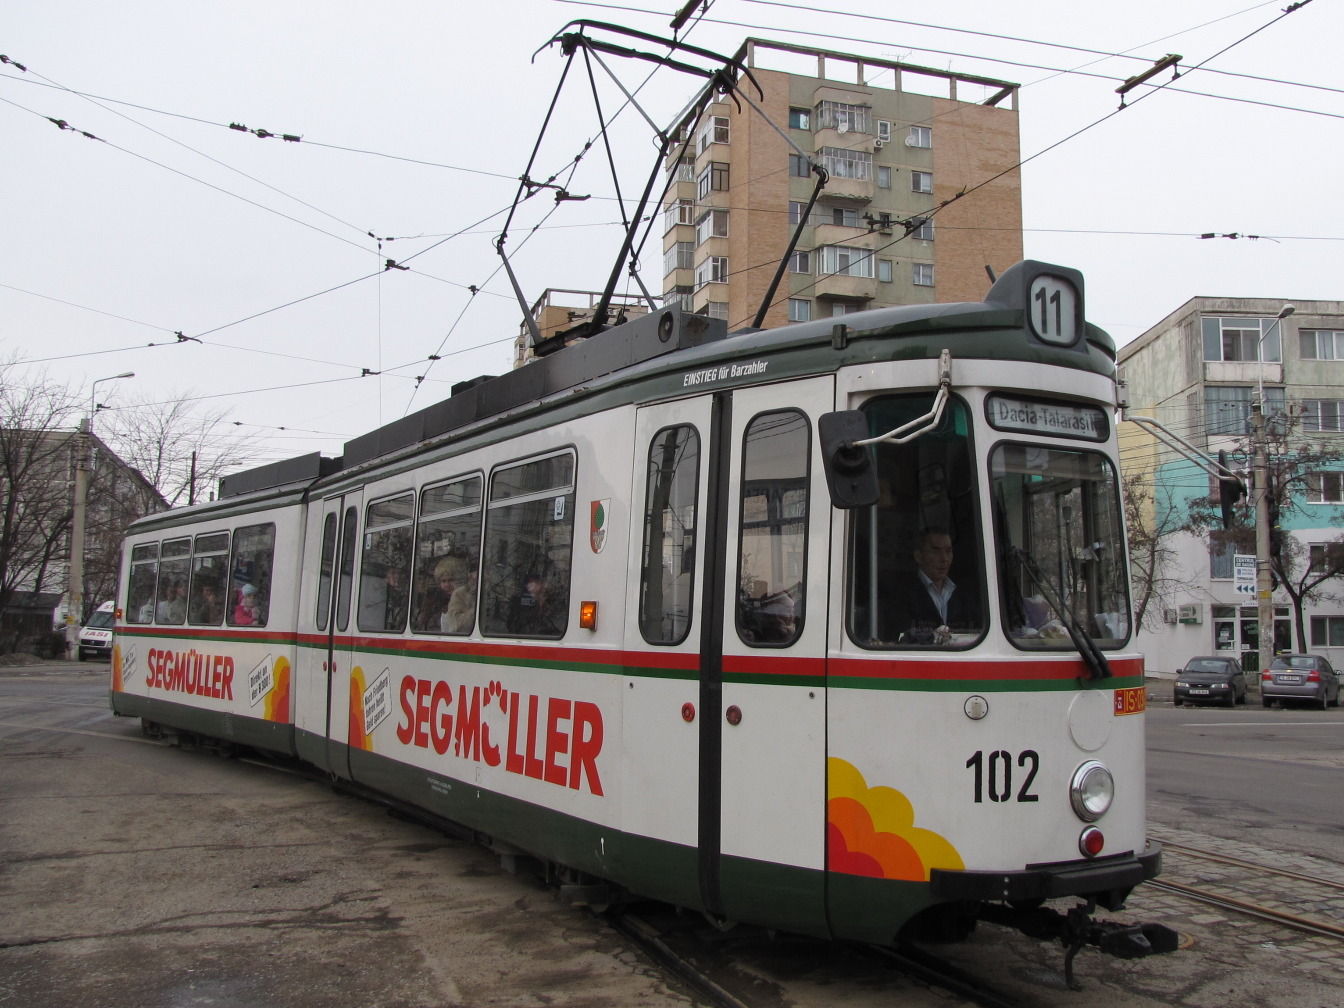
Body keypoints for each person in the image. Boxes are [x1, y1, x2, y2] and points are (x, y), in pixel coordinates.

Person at [891, 528, 980, 643]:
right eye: (936, 551)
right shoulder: (902, 594)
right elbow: (898, 637)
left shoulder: (965, 594)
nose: (944, 559)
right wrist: (932, 637)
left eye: (948, 551)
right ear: (918, 556)